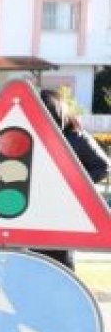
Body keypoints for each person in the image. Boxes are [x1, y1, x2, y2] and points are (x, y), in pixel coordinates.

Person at [34, 88, 110, 269]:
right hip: (35, 209)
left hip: (63, 211)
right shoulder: (33, 136)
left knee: (60, 262)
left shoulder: (76, 138)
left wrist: (73, 186)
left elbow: (103, 167)